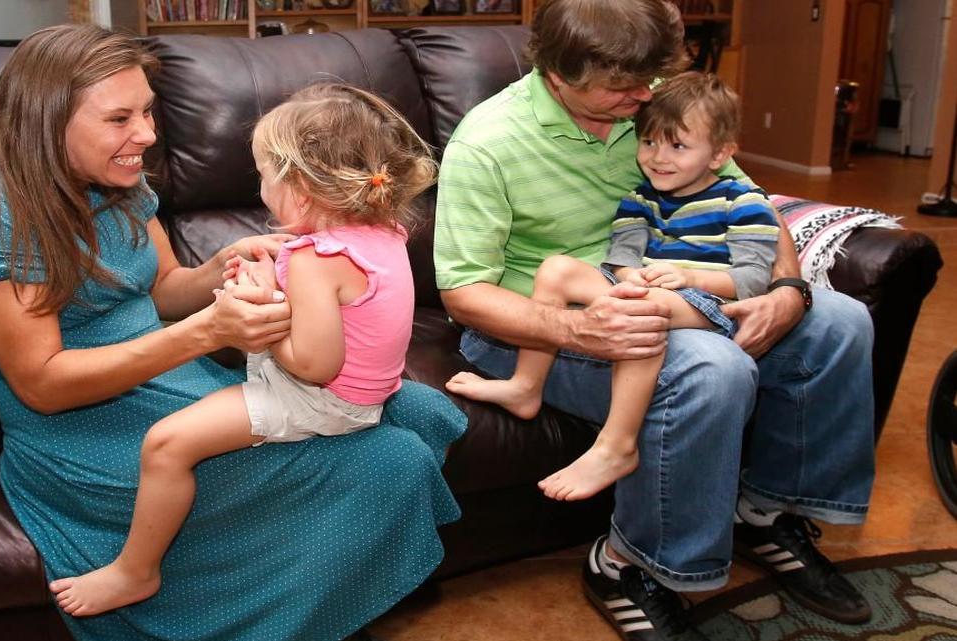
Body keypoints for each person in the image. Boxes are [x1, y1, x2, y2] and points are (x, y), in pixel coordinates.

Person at [0, 25, 465, 641]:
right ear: (46, 121)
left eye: (147, 110)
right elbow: (42, 384)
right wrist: (207, 333)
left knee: (415, 406)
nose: (146, 136)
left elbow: (161, 288)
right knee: (387, 458)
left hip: (169, 372)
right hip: (79, 423)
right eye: (119, 118)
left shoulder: (118, 177)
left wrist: (220, 267)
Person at [433, 0, 876, 638]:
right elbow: (464, 294)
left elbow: (750, 200)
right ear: (559, 74)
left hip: (662, 285)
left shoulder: (655, 97)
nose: (642, 97)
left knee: (840, 323)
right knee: (710, 369)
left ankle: (763, 513)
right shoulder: (487, 141)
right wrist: (576, 329)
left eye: (649, 80)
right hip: (538, 326)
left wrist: (787, 287)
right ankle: (628, 563)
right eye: (621, 87)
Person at [46, 83, 438, 617]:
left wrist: (264, 320)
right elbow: (342, 314)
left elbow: (317, 365)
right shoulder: (382, 232)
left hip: (322, 399)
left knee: (166, 445)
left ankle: (134, 572)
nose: (259, 188)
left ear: (299, 190)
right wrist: (271, 289)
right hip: (366, 392)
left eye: (263, 175)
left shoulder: (313, 259)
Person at [445, 72, 780, 502]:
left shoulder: (742, 202)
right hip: (653, 288)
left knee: (638, 314)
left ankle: (616, 445)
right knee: (557, 270)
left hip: (711, 299)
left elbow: (752, 279)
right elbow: (621, 255)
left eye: (677, 146)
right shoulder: (641, 198)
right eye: (649, 142)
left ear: (720, 154)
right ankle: (526, 387)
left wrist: (691, 278)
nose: (658, 157)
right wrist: (627, 278)